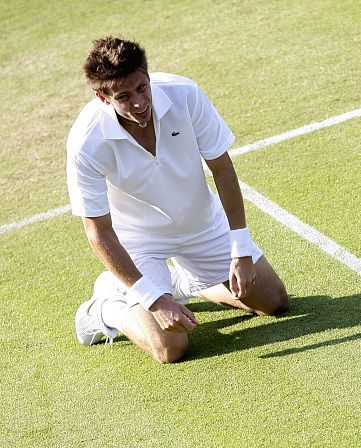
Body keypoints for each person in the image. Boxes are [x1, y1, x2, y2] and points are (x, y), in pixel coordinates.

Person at [67, 36, 288, 363]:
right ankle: (105, 309)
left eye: (142, 88)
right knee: (171, 350)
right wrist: (154, 300)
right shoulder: (87, 142)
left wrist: (240, 247)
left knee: (275, 302)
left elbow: (223, 169)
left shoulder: (185, 94)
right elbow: (98, 232)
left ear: (148, 75)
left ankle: (184, 283)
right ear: (102, 97)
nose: (139, 102)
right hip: (138, 243)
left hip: (201, 223)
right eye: (124, 97)